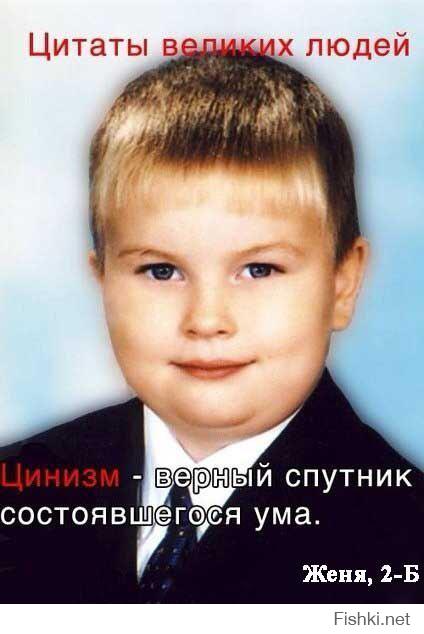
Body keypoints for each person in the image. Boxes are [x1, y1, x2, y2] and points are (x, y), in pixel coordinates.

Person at [0, 53, 422, 603]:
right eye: (161, 271)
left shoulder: (402, 537)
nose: (206, 320)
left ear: (343, 285)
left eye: (259, 269)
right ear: (102, 281)